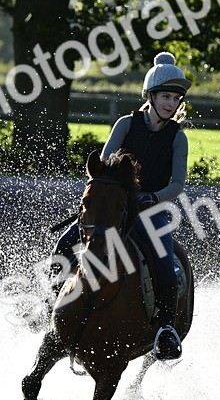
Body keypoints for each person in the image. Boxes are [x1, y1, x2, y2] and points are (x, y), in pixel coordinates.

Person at [46, 51, 191, 360]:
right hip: (116, 207)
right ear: (150, 96)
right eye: (165, 96)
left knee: (165, 264)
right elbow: (104, 163)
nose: (171, 103)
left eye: (176, 98)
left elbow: (177, 184)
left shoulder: (178, 138)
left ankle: (165, 329)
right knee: (64, 244)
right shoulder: (126, 124)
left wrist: (151, 197)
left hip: (152, 210)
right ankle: (48, 305)